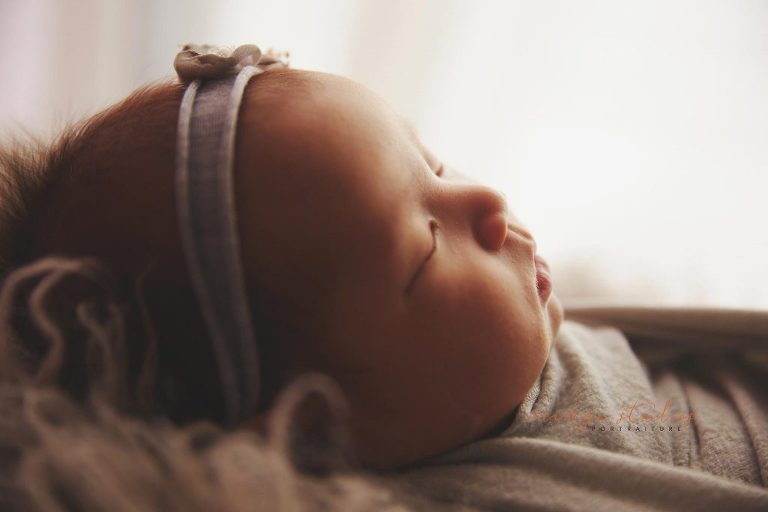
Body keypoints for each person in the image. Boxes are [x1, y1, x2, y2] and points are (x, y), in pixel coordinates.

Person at [0, 45, 765, 511]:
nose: (489, 202)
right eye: (426, 249)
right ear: (312, 431)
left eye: (436, 166)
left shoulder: (506, 364)